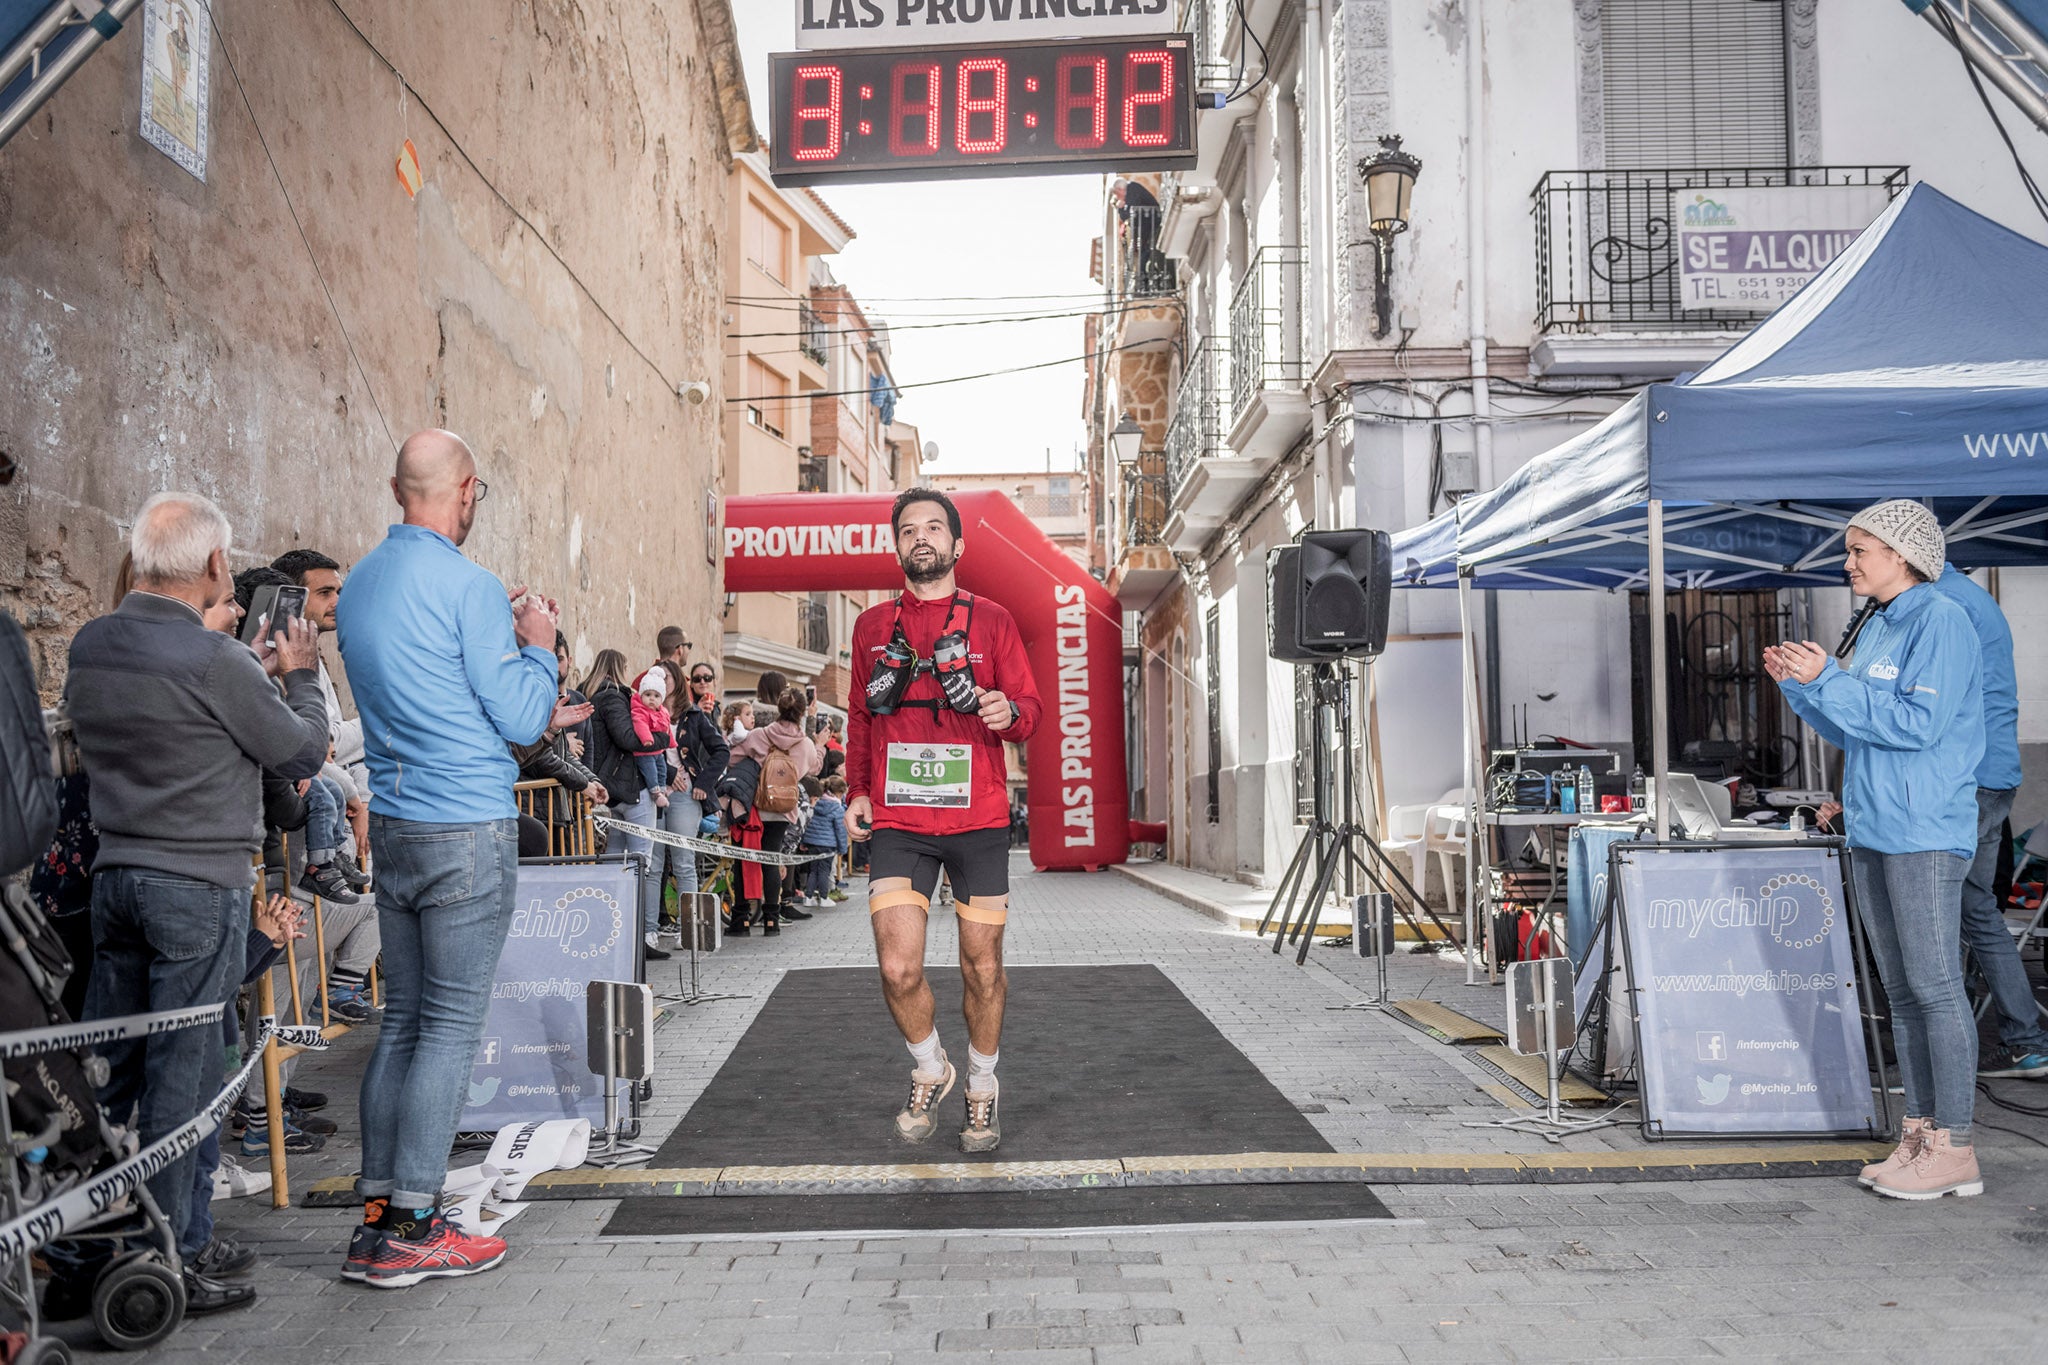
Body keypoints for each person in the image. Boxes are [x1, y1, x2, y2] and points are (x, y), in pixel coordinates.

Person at [54, 490, 328, 1319]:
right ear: (214, 567)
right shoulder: (219, 663)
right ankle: (174, 1252)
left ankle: (99, 1239)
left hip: (115, 878)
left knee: (114, 1066)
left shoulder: (94, 643)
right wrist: (304, 675)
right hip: (196, 884)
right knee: (189, 1074)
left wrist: (252, 672)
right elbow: (302, 748)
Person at [335, 429, 563, 1285]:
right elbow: (517, 717)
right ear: (465, 490)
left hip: (394, 822)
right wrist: (535, 641)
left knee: (401, 1022)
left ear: (401, 490)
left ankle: (375, 1220)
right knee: (450, 1028)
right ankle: (417, 1223)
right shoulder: (469, 586)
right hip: (466, 824)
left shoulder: (358, 584)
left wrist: (486, 627)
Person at [1766, 499, 1984, 1201]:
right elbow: (1860, 720)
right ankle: (1919, 1135)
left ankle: (1954, 1144)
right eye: (1851, 549)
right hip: (1875, 824)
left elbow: (1918, 725)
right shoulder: (1880, 624)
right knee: (1902, 991)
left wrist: (1827, 678)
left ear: (1902, 554)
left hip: (1923, 829)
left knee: (1935, 984)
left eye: (1861, 549)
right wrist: (1801, 687)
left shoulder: (1941, 619)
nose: (1849, 561)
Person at [845, 488, 1042, 1155]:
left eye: (934, 527)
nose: (920, 537)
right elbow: (860, 717)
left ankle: (982, 1085)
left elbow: (1031, 710)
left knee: (981, 966)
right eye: (908, 529)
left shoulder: (994, 621)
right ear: (896, 545)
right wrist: (858, 789)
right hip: (900, 818)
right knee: (898, 965)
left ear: (958, 546)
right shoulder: (872, 627)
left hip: (979, 817)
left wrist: (1003, 712)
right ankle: (932, 1065)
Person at [1927, 562, 2048, 1079]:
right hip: (1990, 771)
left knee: (1947, 908)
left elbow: (1929, 705)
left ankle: (1966, 1049)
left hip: (1967, 774)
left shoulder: (1941, 606)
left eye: (1865, 553)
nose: (1851, 566)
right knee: (1973, 909)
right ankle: (2022, 1039)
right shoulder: (1967, 597)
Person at [580, 649, 669, 959]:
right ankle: (638, 938)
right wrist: (662, 740)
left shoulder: (586, 695)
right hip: (630, 789)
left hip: (608, 788)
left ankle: (611, 934)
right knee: (640, 865)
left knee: (613, 865)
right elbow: (629, 739)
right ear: (619, 668)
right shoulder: (614, 695)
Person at [732, 685, 823, 933]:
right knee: (771, 859)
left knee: (744, 859)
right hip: (783, 809)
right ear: (802, 712)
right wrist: (819, 744)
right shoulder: (804, 744)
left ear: (778, 709)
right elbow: (815, 767)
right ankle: (772, 919)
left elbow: (733, 757)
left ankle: (741, 917)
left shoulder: (760, 734)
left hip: (755, 808)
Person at [800, 774, 850, 906]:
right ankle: (823, 897)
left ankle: (808, 897)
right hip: (828, 844)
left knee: (813, 870)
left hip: (812, 842)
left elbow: (807, 822)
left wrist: (804, 841)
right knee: (824, 871)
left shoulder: (815, 802)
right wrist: (842, 848)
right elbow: (840, 829)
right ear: (838, 792)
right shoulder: (836, 808)